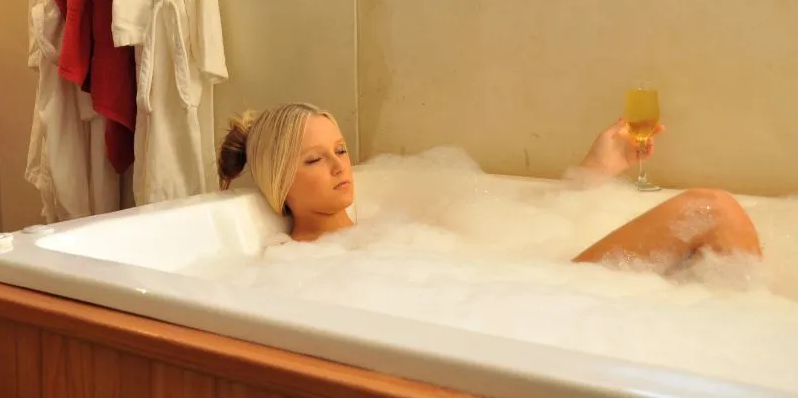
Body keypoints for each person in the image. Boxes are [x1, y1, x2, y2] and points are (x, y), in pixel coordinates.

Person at [216, 103, 763, 273]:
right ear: (278, 183)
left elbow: (523, 234)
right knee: (711, 210)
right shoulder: (299, 267)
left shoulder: (385, 230)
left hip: (536, 288)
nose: (340, 166)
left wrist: (594, 175)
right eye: (315, 159)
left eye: (340, 150)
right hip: (542, 300)